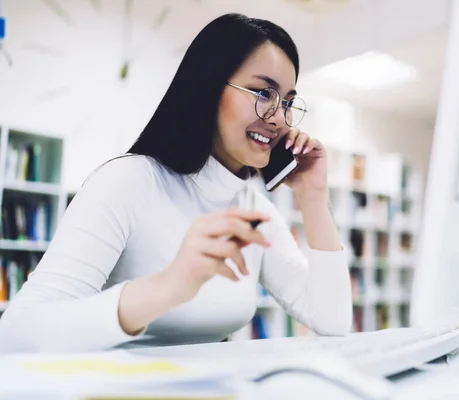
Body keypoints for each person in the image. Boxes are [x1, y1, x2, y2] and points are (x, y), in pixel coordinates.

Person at [0, 13, 352, 352]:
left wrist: (314, 197)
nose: (279, 118)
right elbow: (17, 334)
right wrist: (167, 287)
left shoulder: (254, 208)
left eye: (288, 102)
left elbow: (332, 321)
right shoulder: (129, 181)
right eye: (264, 93)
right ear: (209, 88)